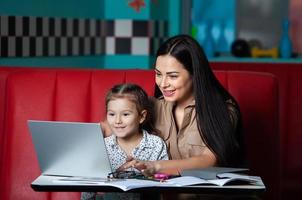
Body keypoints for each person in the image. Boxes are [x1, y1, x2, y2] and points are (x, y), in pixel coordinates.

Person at [116, 34, 244, 176]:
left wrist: (155, 166)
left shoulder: (224, 110)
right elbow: (113, 123)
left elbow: (209, 160)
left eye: (173, 76)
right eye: (158, 74)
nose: (163, 84)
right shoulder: (152, 107)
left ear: (195, 74)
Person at [81, 83, 169, 200]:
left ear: (142, 116)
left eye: (125, 114)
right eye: (112, 114)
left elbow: (165, 181)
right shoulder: (101, 147)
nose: (117, 121)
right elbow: (88, 191)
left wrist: (147, 173)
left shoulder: (156, 144)